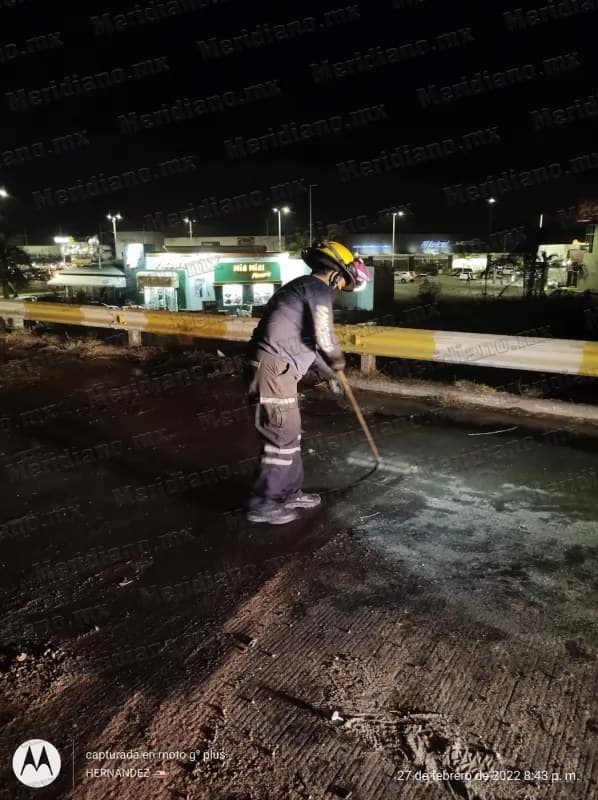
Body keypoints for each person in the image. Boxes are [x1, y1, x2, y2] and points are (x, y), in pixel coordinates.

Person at [244, 241, 372, 525]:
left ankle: (288, 493)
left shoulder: (302, 288)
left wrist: (330, 374)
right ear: (336, 274)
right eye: (344, 283)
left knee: (290, 436)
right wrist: (338, 361)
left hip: (278, 372)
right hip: (273, 372)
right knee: (281, 438)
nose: (340, 289)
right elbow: (324, 337)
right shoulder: (317, 290)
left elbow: (309, 346)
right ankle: (263, 504)